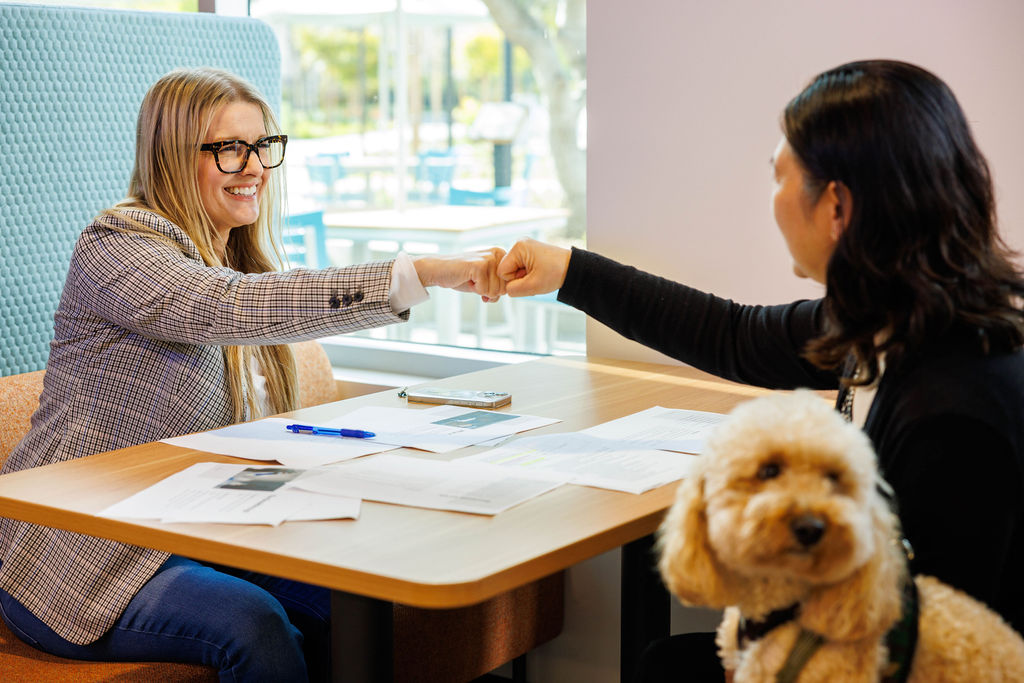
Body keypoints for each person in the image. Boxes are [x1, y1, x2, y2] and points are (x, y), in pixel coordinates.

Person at [498, 59, 1024, 680]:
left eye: (779, 176)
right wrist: (568, 272)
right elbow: (735, 334)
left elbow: (927, 638)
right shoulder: (894, 319)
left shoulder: (954, 408)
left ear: (835, 206)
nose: (772, 200)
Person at [0, 67, 507, 681]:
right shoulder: (117, 247)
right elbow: (227, 307)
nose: (256, 167)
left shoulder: (231, 256)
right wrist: (420, 273)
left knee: (356, 597)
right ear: (170, 156)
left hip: (187, 525)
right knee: (254, 625)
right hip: (81, 555)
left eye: (263, 146)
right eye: (230, 149)